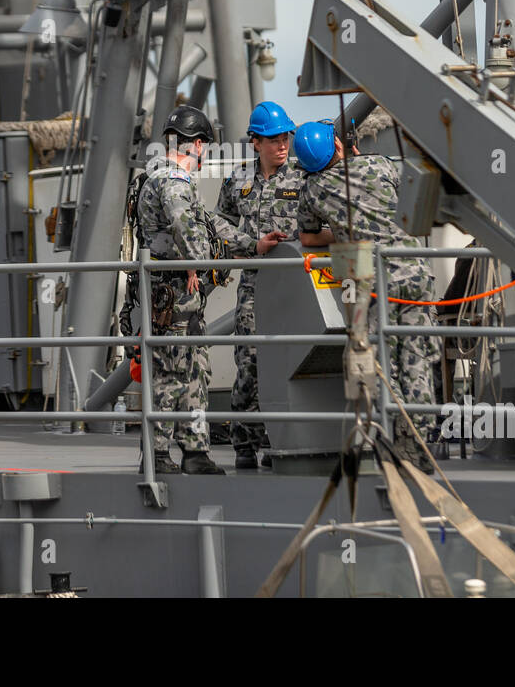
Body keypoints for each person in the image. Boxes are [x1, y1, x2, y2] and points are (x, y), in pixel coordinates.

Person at [135, 104, 281, 475]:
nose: (203, 153)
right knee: (170, 373)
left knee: (195, 369)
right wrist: (199, 262)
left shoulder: (168, 179)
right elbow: (190, 229)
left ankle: (196, 449)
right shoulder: (172, 181)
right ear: (196, 144)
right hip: (172, 296)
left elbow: (210, 221)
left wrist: (253, 244)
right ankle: (157, 454)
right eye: (203, 146)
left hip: (185, 299)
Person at [293, 119, 440, 469]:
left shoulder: (312, 189)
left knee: (379, 363)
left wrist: (346, 232)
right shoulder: (380, 164)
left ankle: (396, 442)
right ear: (339, 146)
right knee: (415, 357)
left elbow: (308, 239)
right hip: (414, 270)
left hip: (369, 278)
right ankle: (423, 441)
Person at [214, 101, 302, 469]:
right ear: (255, 142)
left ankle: (281, 439)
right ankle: (245, 442)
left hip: (298, 286)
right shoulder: (238, 181)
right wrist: (251, 245)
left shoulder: (303, 178)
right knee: (250, 361)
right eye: (273, 140)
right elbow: (217, 224)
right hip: (255, 284)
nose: (281, 146)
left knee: (292, 360)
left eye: (285, 138)